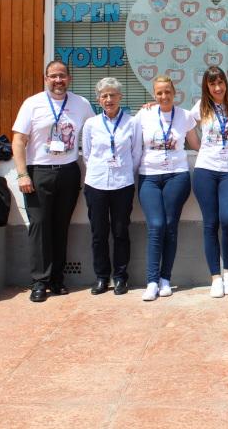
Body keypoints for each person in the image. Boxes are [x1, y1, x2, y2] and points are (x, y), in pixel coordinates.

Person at [12, 60, 95, 303]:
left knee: (60, 226)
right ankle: (39, 281)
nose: (58, 80)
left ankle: (57, 279)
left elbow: (98, 128)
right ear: (45, 78)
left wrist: (148, 110)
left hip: (68, 171)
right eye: (53, 76)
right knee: (39, 227)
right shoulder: (32, 104)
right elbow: (18, 140)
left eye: (62, 76)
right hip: (38, 172)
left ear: (69, 79)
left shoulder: (81, 104)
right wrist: (22, 173)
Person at [136, 75, 200, 301]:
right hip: (149, 177)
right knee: (156, 225)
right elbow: (133, 143)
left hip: (177, 176)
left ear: (175, 93)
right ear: (154, 95)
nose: (164, 96)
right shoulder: (144, 114)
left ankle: (165, 279)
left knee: (171, 226)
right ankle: (152, 281)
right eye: (159, 92)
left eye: (167, 92)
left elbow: (196, 145)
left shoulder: (185, 116)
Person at [81, 78, 143, 296]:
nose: (109, 99)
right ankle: (101, 277)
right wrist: (103, 168)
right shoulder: (91, 124)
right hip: (96, 183)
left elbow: (136, 154)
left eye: (113, 95)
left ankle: (120, 277)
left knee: (120, 232)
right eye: (104, 96)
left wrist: (123, 170)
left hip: (122, 183)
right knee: (98, 233)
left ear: (120, 98)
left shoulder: (132, 123)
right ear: (99, 99)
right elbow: (87, 154)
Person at [191, 66, 228, 298]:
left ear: (226, 83)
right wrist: (152, 106)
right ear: (206, 86)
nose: (217, 88)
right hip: (205, 170)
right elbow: (178, 122)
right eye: (212, 84)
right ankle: (215, 277)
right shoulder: (200, 107)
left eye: (220, 83)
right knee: (210, 223)